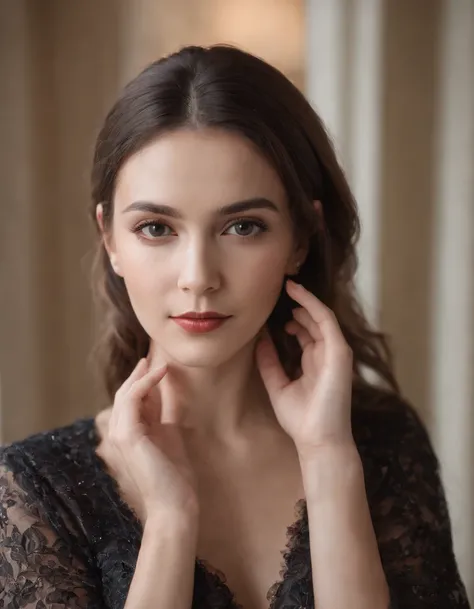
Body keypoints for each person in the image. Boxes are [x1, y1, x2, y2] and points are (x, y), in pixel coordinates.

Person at [0, 44, 470, 609]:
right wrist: (171, 522)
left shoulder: (384, 442)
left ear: (300, 237)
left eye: (243, 226)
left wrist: (328, 461)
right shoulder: (34, 488)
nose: (198, 277)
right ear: (110, 240)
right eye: (155, 228)